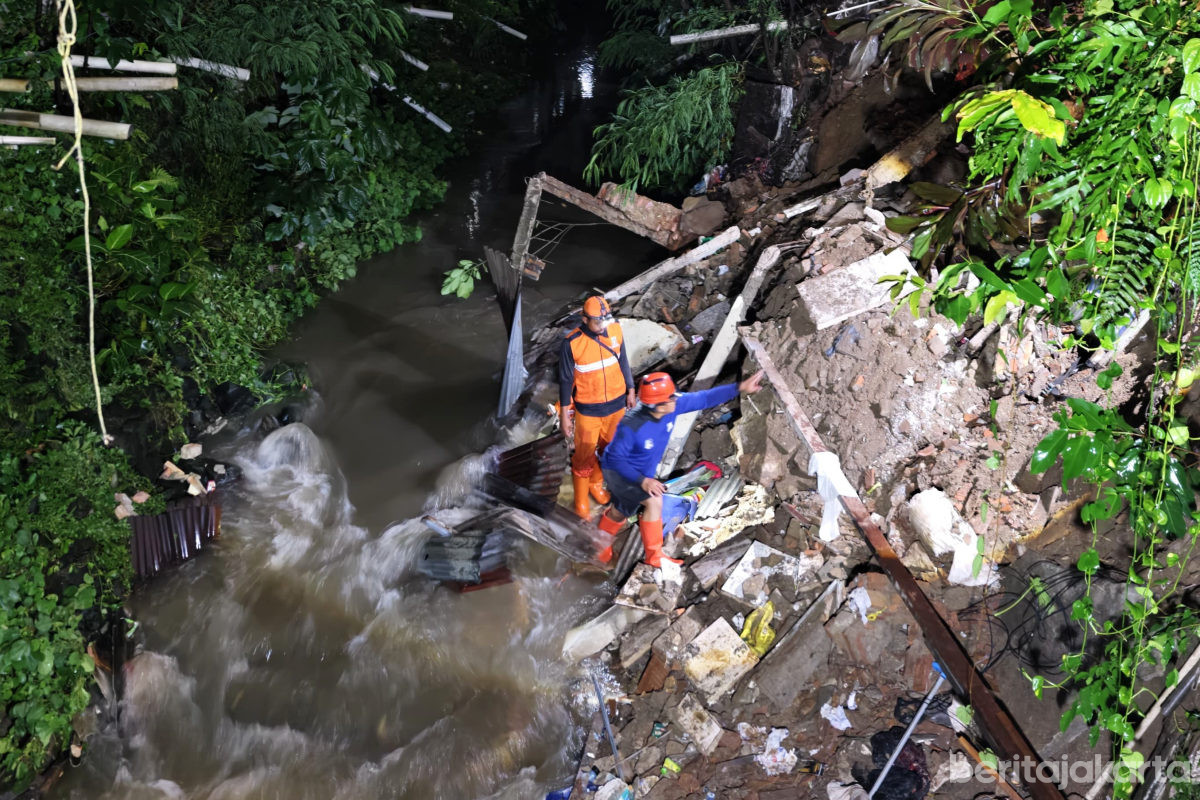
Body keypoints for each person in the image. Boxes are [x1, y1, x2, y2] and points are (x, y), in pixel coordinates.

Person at [597, 369, 766, 567]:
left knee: (620, 510)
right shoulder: (632, 426)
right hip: (622, 473)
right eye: (670, 399)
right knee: (654, 501)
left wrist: (740, 387)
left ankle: (600, 543)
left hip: (643, 472)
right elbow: (612, 459)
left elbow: (703, 398)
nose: (675, 401)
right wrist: (643, 481)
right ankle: (653, 555)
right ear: (655, 405)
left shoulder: (672, 405)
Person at [558, 295, 636, 518]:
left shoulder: (616, 330)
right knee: (583, 455)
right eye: (597, 321)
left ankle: (596, 484)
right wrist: (565, 415)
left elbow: (623, 360)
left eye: (605, 319)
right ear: (584, 319)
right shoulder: (572, 343)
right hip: (588, 410)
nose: (602, 325)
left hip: (616, 405)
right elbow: (565, 380)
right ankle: (581, 501)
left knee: (608, 450)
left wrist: (630, 388)